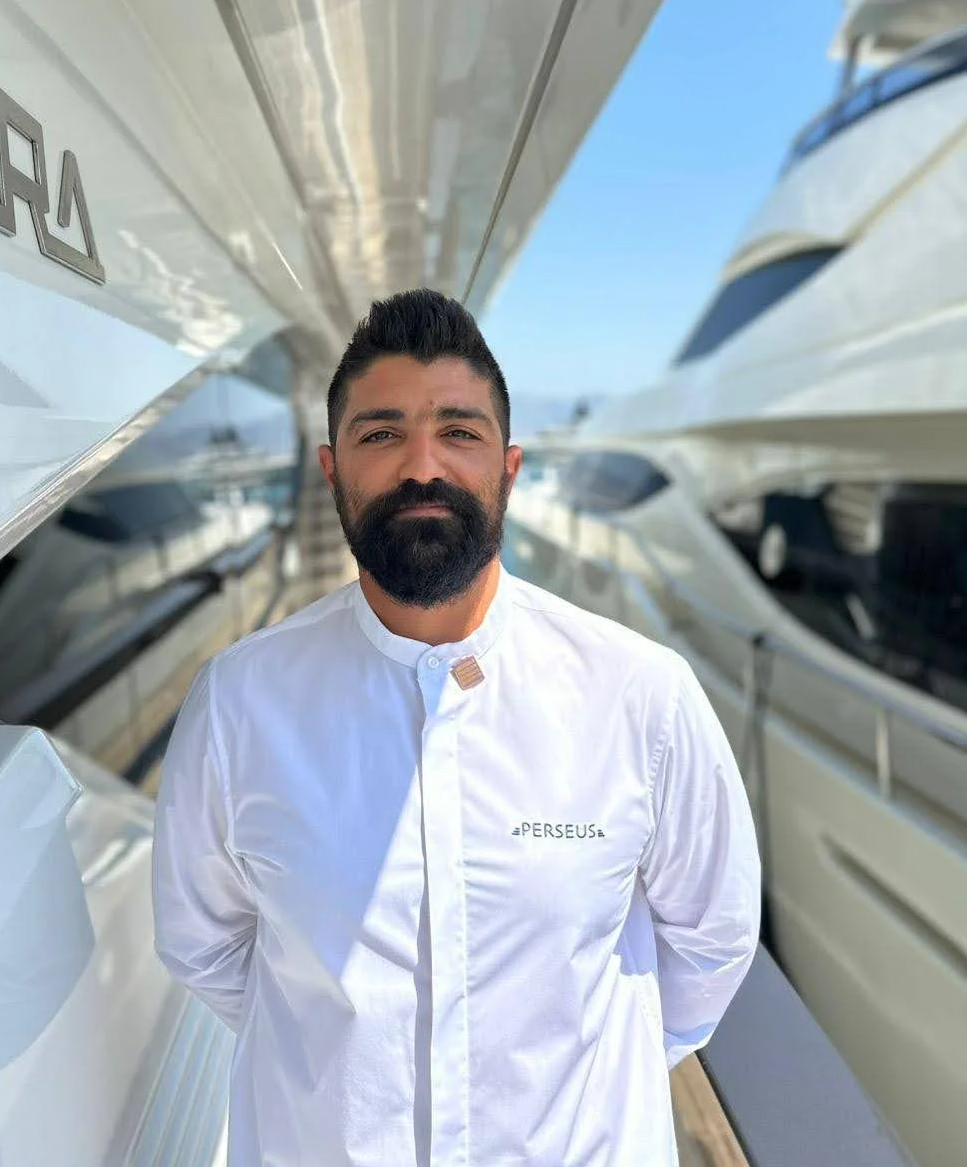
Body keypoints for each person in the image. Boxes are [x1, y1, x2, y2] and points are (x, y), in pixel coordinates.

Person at [152, 290, 760, 1166]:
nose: (422, 466)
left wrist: (585, 1080)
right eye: (381, 433)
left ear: (508, 468)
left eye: (459, 432)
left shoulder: (640, 695)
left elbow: (715, 940)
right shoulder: (239, 705)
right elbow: (204, 945)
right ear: (332, 470)